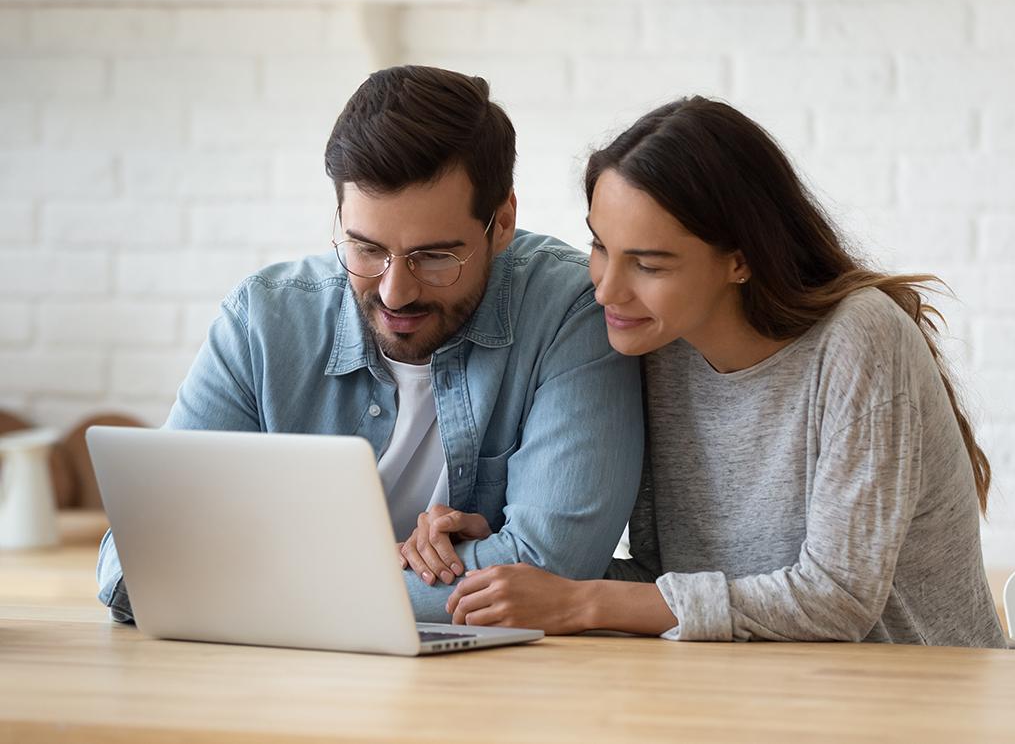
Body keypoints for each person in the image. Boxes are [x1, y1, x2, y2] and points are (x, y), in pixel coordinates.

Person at [409, 97, 1007, 648]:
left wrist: (583, 600)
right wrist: (500, 565)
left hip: (917, 697)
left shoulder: (858, 338)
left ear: (740, 259)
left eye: (648, 263)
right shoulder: (656, 348)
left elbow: (838, 600)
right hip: (758, 697)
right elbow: (665, 584)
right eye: (599, 248)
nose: (607, 289)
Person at [95, 65, 644, 624]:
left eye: (434, 257)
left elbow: (552, 569)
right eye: (365, 249)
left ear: (501, 222)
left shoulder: (570, 312)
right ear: (338, 218)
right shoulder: (263, 321)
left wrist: (258, 580)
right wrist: (380, 571)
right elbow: (133, 564)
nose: (395, 291)